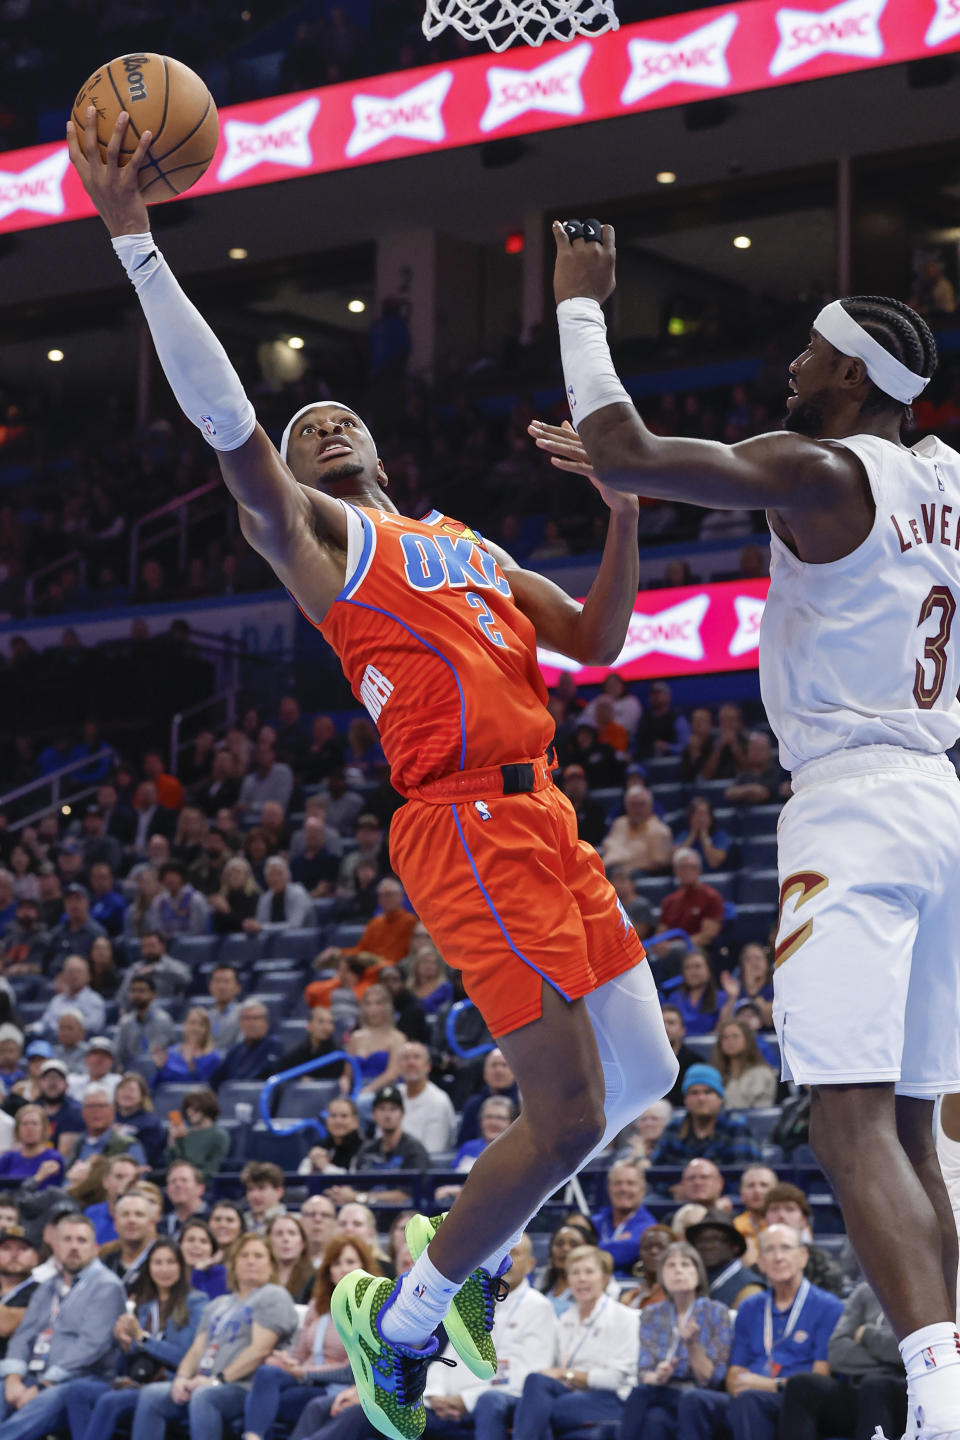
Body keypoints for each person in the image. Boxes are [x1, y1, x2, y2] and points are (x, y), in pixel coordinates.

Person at [70, 131, 678, 1440]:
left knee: (649, 1071)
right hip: (462, 818)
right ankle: (404, 1317)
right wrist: (137, 245)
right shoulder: (323, 543)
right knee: (569, 1116)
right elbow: (229, 421)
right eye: (305, 426)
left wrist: (625, 511)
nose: (322, 421)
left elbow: (600, 642)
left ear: (380, 445)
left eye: (338, 415)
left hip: (546, 810)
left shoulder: (465, 542)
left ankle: (479, 1228)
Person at [538, 232, 960, 1440]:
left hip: (857, 804)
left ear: (854, 378)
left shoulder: (825, 468)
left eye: (811, 353)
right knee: (917, 1122)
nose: (791, 366)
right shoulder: (945, 475)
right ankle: (953, 1384)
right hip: (940, 796)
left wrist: (580, 310)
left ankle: (939, 1406)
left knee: (844, 1118)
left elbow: (629, 447)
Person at [678, 1224, 844, 1440]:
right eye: (769, 1250)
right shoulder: (749, 1306)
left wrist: (767, 1385)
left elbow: (820, 1375)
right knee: (693, 1400)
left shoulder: (828, 1306)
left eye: (785, 1248)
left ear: (803, 1256)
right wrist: (745, 1385)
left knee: (750, 1401)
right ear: (761, 1262)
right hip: (748, 1396)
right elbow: (735, 1373)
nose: (778, 1257)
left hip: (796, 1402)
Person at [129, 1232, 299, 1440]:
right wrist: (182, 1378)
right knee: (152, 1395)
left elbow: (259, 1351)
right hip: (204, 1381)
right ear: (233, 1264)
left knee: (204, 1397)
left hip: (244, 1387)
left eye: (258, 1256)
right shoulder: (218, 1304)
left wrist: (217, 1380)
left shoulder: (273, 1295)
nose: (250, 1261)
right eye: (244, 1255)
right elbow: (197, 1349)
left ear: (271, 1265)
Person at [65, 1238, 207, 1440]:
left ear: (181, 1266)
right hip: (135, 1381)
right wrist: (124, 1343)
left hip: (169, 1384)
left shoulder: (195, 1302)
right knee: (77, 1390)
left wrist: (142, 1338)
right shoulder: (145, 1305)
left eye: (171, 1262)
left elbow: (184, 1357)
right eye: (157, 1263)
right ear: (148, 1268)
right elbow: (126, 1364)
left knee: (109, 1402)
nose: (164, 1269)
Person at [0, 1213, 126, 1440]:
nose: (74, 1247)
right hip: (35, 1375)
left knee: (51, 1397)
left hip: (82, 1379)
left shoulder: (107, 1286)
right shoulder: (47, 1286)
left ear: (95, 1248)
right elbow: (22, 1336)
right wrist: (13, 1378)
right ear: (55, 1247)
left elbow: (91, 1345)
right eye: (67, 1240)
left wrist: (43, 1385)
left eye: (81, 1240)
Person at [422, 1233, 558, 1440]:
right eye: (501, 1253)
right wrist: (435, 1395)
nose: (507, 1260)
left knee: (489, 1401)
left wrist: (466, 1400)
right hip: (449, 1404)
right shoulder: (475, 1303)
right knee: (403, 1409)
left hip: (503, 1401)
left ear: (530, 1265)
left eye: (515, 1254)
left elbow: (528, 1375)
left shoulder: (539, 1308)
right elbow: (446, 1359)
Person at [241, 1234, 376, 1440]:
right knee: (267, 1373)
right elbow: (301, 1354)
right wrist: (287, 1362)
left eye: (350, 1262)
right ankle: (253, 1437)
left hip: (333, 1386)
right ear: (329, 1271)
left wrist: (305, 1372)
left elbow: (351, 1372)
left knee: (265, 1402)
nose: (342, 1268)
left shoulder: (370, 1311)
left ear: (364, 1267)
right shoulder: (317, 1305)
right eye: (336, 1262)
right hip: (305, 1378)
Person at [510, 1244, 638, 1440]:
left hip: (611, 1399)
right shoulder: (565, 1320)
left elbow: (615, 1379)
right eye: (575, 1273)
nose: (582, 1279)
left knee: (537, 1410)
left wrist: (567, 1374)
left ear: (604, 1278)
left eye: (589, 1272)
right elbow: (551, 1369)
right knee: (535, 1382)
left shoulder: (625, 1317)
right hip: (570, 1395)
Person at [621, 1241, 732, 1440]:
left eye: (686, 1265)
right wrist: (658, 1376)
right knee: (655, 1419)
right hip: (663, 1391)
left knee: (646, 1396)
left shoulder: (716, 1312)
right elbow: (643, 1372)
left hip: (701, 1395)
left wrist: (692, 1345)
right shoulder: (651, 1314)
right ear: (662, 1275)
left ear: (698, 1274)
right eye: (671, 1265)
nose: (678, 1271)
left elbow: (712, 1379)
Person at [781, 1279, 906, 1440]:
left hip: (906, 1391)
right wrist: (887, 1358)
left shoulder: (930, 1288)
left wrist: (866, 1334)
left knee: (876, 1384)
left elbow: (908, 1350)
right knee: (801, 1384)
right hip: (860, 1387)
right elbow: (836, 1351)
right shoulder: (865, 1291)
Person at [652, 1066, 761, 1167]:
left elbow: (743, 1173)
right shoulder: (673, 1128)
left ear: (720, 1098)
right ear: (685, 1100)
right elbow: (657, 1175)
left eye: (708, 1092)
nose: (701, 1098)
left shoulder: (736, 1127)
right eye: (694, 1093)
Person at [761, 1184, 847, 1297]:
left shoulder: (822, 1263)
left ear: (804, 1220)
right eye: (774, 1209)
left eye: (789, 1209)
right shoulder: (756, 1266)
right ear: (764, 1219)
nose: (781, 1215)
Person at [591, 1160, 657, 1279]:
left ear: (643, 1190)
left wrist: (591, 1248)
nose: (623, 1189)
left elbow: (626, 1252)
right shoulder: (595, 1222)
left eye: (631, 1183)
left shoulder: (648, 1226)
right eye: (617, 1183)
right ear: (609, 1188)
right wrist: (616, 1244)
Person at [687, 1212, 765, 1310]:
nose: (708, 1246)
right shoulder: (693, 1280)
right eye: (702, 1240)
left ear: (735, 1246)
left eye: (716, 1239)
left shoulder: (750, 1289)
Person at [341, 985, 406, 1097]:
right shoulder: (356, 1037)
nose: (372, 1009)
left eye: (378, 1003)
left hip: (386, 1092)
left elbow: (392, 1074)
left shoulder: (397, 1037)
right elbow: (347, 1074)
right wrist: (344, 1082)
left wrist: (368, 1090)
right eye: (368, 1004)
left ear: (387, 1007)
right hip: (358, 1089)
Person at [658, 851, 725, 955]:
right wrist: (660, 945)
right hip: (669, 950)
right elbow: (661, 933)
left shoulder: (711, 897)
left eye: (692, 868)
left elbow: (707, 935)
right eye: (683, 868)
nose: (688, 871)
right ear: (676, 871)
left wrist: (677, 945)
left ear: (699, 870)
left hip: (697, 950)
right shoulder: (669, 901)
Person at [397, 1043, 456, 1155]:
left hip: (424, 1167)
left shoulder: (438, 1101)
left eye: (416, 1057)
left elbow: (433, 1153)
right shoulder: (394, 1095)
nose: (410, 1063)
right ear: (398, 1067)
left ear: (428, 1066)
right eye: (405, 1058)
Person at [600, 783, 673, 874]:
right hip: (609, 871)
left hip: (637, 877)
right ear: (626, 806)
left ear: (650, 806)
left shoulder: (660, 830)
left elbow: (658, 865)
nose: (637, 809)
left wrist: (628, 869)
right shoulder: (619, 823)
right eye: (633, 804)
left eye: (641, 804)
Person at [114, 974, 177, 1074]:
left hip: (157, 1070)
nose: (137, 995)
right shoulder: (125, 1022)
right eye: (133, 991)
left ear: (153, 995)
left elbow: (173, 1050)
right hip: (132, 1072)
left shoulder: (164, 1020)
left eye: (142, 991)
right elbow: (118, 1053)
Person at [211, 1001, 284, 1087]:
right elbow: (215, 1080)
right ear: (240, 1023)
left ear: (266, 1023)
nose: (251, 1023)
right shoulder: (235, 1050)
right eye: (246, 1018)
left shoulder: (274, 1047)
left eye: (256, 1018)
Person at [100, 1190, 159, 1294]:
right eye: (125, 1214)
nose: (132, 1220)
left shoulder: (164, 1262)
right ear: (115, 1224)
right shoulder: (104, 1263)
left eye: (139, 1214)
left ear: (151, 1223)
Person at [711, 1020, 778, 1110]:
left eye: (735, 1036)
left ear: (747, 1040)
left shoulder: (762, 1073)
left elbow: (760, 1111)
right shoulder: (713, 1073)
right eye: (725, 1037)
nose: (730, 1041)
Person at [164, 1088, 231, 1179]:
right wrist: (172, 1140)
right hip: (179, 1180)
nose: (189, 1112)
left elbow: (213, 1168)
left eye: (195, 1108)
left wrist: (190, 1178)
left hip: (203, 1183)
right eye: (188, 1108)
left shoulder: (219, 1135)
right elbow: (172, 1163)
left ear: (206, 1108)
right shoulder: (183, 1134)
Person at [152, 1007, 222, 1088]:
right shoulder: (170, 1053)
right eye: (192, 1023)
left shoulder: (213, 1058)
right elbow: (155, 1087)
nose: (195, 1028)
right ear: (185, 1025)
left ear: (207, 1029)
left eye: (201, 1025)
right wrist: (160, 1068)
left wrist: (190, 1064)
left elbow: (207, 1088)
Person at [39, 954, 106, 1036]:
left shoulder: (95, 1000)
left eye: (79, 971)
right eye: (70, 972)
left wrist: (65, 1030)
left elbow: (94, 1026)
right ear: (63, 975)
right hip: (55, 1043)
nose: (74, 975)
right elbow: (44, 1023)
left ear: (88, 976)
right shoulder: (57, 1000)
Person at [0, 1106, 63, 1190]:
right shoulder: (8, 1158)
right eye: (25, 1124)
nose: (29, 1128)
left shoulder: (53, 1159)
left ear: (44, 1128)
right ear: (17, 1129)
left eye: (34, 1123)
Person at [0, 1228, 40, 1360]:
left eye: (22, 1249)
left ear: (35, 1257)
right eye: (6, 1248)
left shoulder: (42, 1291)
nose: (14, 1255)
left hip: (17, 1367)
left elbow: (5, 1326)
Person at [84, 1152, 140, 1245]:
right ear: (105, 1181)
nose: (125, 1183)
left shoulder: (142, 1217)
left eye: (130, 1179)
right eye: (119, 1177)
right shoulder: (91, 1213)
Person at [300, 1098, 364, 1177]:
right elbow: (301, 1178)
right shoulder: (322, 1146)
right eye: (333, 1116)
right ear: (327, 1120)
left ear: (355, 1121)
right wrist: (310, 1163)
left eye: (344, 1116)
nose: (338, 1121)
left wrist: (325, 1166)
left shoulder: (364, 1148)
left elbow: (356, 1183)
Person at [248, 857, 314, 933]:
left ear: (288, 876)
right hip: (273, 943)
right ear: (266, 878)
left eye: (279, 873)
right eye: (271, 874)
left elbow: (295, 926)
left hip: (303, 941)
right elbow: (259, 924)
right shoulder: (264, 899)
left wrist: (262, 927)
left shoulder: (298, 893)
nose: (276, 878)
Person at [718, 945, 775, 1030]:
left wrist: (753, 992)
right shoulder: (734, 988)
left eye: (758, 958)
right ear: (742, 966)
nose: (754, 963)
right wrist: (733, 997)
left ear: (767, 963)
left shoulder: (775, 987)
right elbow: (722, 1027)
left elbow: (769, 1021)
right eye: (748, 959)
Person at [733, 1166, 779, 1266]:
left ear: (776, 1191)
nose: (757, 1190)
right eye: (750, 1185)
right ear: (741, 1193)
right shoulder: (733, 1227)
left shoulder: (790, 1225)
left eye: (764, 1185)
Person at [621, 1224, 673, 1310]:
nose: (654, 1251)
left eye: (661, 1247)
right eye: (647, 1247)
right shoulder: (629, 1296)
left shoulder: (677, 1295)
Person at [266, 1213, 315, 1303]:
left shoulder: (314, 1279)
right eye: (279, 1234)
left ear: (303, 1243)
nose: (285, 1239)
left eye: (292, 1233)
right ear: (268, 1241)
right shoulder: (259, 1277)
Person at [209, 858, 262, 937]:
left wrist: (227, 912)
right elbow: (218, 929)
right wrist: (216, 911)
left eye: (238, 872)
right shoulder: (224, 896)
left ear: (246, 875)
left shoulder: (253, 895)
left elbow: (247, 926)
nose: (234, 876)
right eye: (230, 873)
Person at [181, 1219, 229, 1301]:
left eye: (203, 1241)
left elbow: (205, 1308)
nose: (196, 1245)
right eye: (190, 1240)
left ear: (212, 1250)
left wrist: (198, 1271)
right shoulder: (171, 1273)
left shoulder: (220, 1274)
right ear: (180, 1245)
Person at [160, 1162, 208, 1239]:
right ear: (167, 1190)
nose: (178, 1185)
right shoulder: (161, 1224)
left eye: (184, 1180)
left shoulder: (214, 1219)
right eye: (173, 1181)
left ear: (200, 1188)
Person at [241, 1163, 286, 1233]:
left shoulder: (295, 1223)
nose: (255, 1195)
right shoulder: (239, 1222)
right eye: (250, 1189)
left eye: (261, 1188)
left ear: (279, 1192)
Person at [207, 965, 243, 1052]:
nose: (221, 986)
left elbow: (241, 1047)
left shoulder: (244, 1014)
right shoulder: (205, 1016)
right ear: (210, 986)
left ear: (238, 988)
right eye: (217, 981)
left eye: (226, 982)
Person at [300, 1195, 339, 1265]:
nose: (317, 1219)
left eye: (325, 1215)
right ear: (300, 1221)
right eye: (311, 1214)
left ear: (335, 1223)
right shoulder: (289, 1258)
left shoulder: (344, 1260)